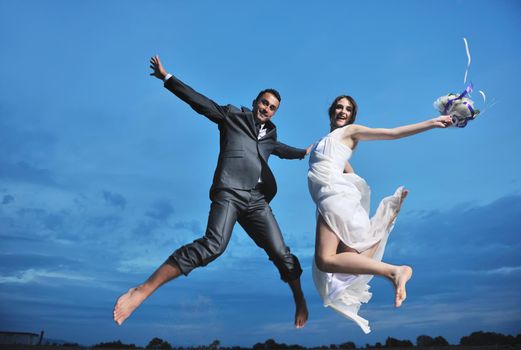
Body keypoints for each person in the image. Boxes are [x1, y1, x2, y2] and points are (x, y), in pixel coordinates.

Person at [113, 56, 310, 328]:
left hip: (256, 202)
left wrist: (305, 153)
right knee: (213, 246)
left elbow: (284, 150)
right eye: (264, 103)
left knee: (281, 252)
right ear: (255, 102)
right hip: (229, 193)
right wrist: (167, 78)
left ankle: (299, 299)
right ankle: (143, 290)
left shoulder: (270, 137)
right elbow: (199, 102)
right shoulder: (232, 116)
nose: (267, 108)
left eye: (273, 107)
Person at [307, 95, 452, 333]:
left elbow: (392, 133)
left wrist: (431, 123)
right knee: (346, 259)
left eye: (348, 109)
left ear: (352, 116)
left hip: (333, 196)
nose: (343, 111)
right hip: (333, 196)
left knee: (325, 260)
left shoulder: (351, 131)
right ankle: (390, 254)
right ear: (331, 111)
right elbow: (352, 177)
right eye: (339, 107)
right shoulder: (326, 140)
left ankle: (394, 271)